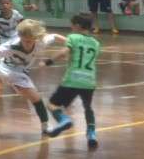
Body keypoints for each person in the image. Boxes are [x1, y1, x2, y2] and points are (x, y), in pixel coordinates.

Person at [0, 19, 66, 135]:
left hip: (21, 73)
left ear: (36, 38)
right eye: (25, 40)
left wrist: (70, 42)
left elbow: (55, 36)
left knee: (37, 99)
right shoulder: (12, 45)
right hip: (6, 68)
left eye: (31, 41)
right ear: (19, 36)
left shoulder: (41, 41)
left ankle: (45, 126)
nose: (28, 43)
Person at [43, 14, 101, 149]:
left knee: (52, 104)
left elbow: (64, 52)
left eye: (72, 25)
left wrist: (48, 61)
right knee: (88, 107)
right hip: (89, 80)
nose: (71, 27)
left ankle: (64, 120)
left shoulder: (72, 37)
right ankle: (91, 134)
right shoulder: (96, 43)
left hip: (73, 79)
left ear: (78, 26)